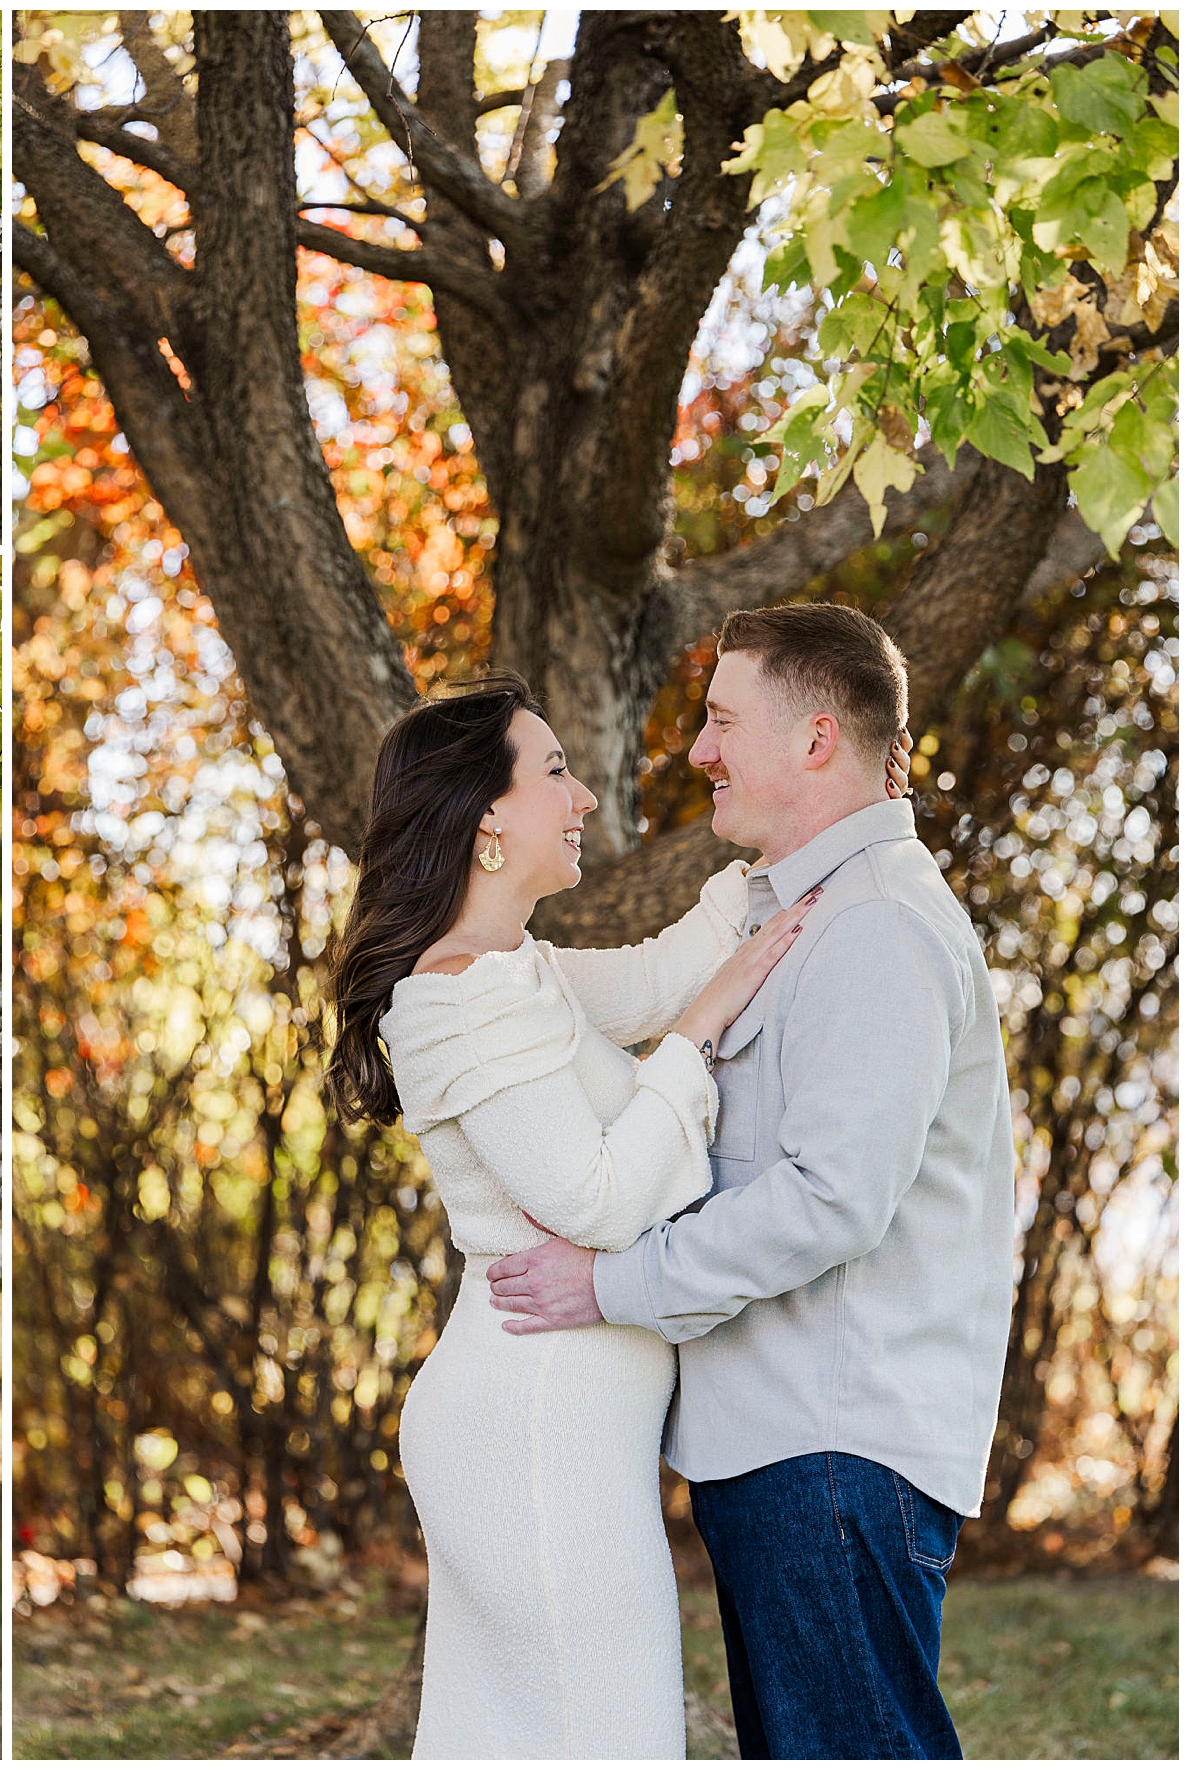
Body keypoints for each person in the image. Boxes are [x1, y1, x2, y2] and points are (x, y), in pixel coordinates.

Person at [326, 655, 914, 1758]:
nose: (585, 795)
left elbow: (654, 975)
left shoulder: (516, 971)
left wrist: (789, 854)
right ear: (486, 817)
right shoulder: (450, 998)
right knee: (608, 1737)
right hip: (531, 1436)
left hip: (568, 1435)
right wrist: (693, 1039)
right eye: (554, 771)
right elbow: (594, 1201)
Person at [489, 603, 1012, 1759]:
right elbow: (620, 1000)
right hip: (785, 1448)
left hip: (829, 1451)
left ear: (815, 738)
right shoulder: (791, 910)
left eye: (721, 720)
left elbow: (829, 1198)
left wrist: (607, 1283)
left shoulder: (875, 925)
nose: (696, 750)